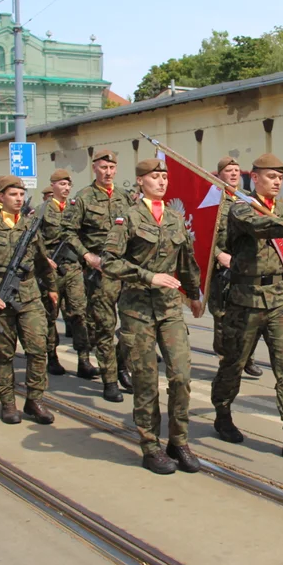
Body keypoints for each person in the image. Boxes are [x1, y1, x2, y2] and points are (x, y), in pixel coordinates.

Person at [210, 153, 283, 465]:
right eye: (271, 177)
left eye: (279, 178)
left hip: (278, 299)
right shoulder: (241, 207)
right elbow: (262, 227)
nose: (276, 182)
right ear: (255, 177)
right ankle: (222, 411)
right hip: (245, 299)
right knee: (233, 364)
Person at [103, 157, 205, 474]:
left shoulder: (175, 219)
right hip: (137, 309)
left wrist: (194, 293)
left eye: (164, 177)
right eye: (155, 177)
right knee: (146, 381)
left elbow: (186, 260)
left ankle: (179, 441)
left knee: (181, 376)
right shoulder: (127, 219)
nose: (161, 182)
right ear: (141, 182)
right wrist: (148, 276)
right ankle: (150, 446)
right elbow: (110, 262)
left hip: (170, 308)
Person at [0, 175, 57, 425]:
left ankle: (34, 400)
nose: (18, 198)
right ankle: (7, 403)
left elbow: (41, 261)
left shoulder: (30, 226)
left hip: (29, 296)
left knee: (38, 349)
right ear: (0, 197)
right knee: (3, 353)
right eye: (13, 194)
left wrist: (52, 288)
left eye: (21, 194)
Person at [75, 150, 134, 402]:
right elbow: (68, 233)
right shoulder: (83, 198)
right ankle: (109, 379)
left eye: (111, 167)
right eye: (103, 167)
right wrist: (87, 256)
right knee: (105, 327)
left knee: (132, 326)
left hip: (126, 271)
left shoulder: (125, 197)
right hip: (100, 273)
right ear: (94, 169)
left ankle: (121, 365)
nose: (108, 172)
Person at [208, 156, 263, 380]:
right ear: (219, 174)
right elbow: (199, 234)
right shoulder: (212, 199)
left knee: (250, 315)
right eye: (228, 170)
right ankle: (226, 359)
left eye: (237, 170)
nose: (233, 174)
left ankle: (246, 356)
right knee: (222, 317)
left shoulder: (249, 200)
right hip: (222, 267)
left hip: (245, 268)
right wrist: (218, 255)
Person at [39, 169, 96, 379]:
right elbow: (32, 241)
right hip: (52, 271)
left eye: (68, 185)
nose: (66, 188)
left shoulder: (75, 209)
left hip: (73, 269)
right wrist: (44, 258)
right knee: (50, 316)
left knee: (79, 313)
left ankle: (84, 360)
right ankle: (51, 358)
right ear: (52, 186)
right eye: (61, 184)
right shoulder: (42, 211)